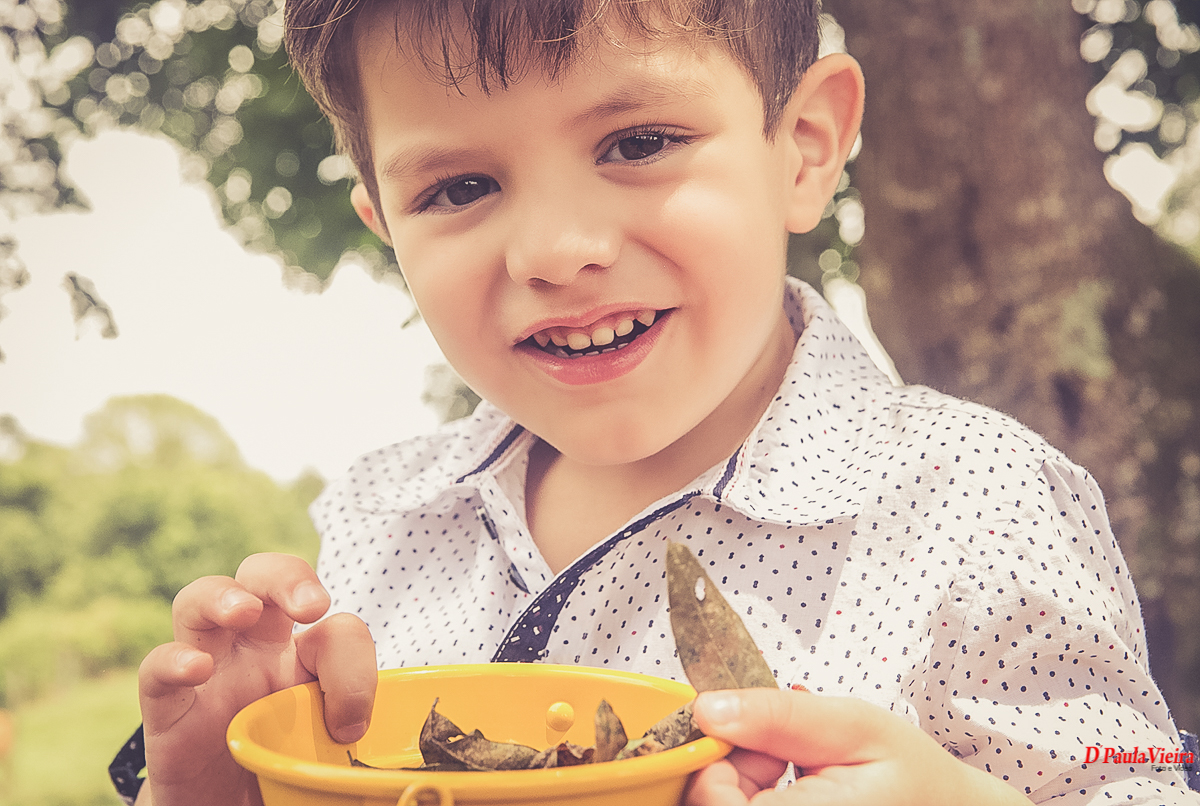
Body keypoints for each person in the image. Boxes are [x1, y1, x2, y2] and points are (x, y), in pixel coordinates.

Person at [113, 1, 1200, 804]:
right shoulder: (381, 524)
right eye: (459, 188)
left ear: (805, 148)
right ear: (385, 222)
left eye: (638, 144)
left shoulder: (975, 499)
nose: (557, 250)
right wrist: (222, 787)